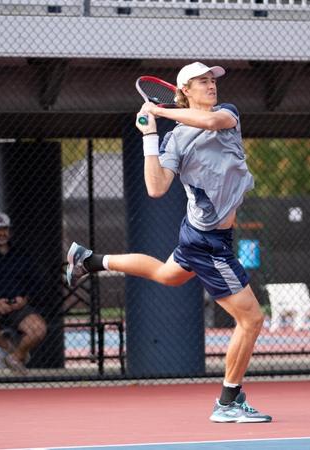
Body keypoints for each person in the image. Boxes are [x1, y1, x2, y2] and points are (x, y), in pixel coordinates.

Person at [67, 62, 272, 423]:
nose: (211, 86)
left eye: (212, 80)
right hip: (207, 241)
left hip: (211, 233)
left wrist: (158, 111)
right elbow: (156, 187)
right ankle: (227, 402)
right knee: (252, 320)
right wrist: (148, 135)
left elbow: (207, 122)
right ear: (185, 91)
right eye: (202, 82)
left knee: (167, 275)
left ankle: (90, 260)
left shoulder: (226, 114)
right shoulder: (174, 138)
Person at [0, 212, 47, 374]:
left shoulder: (22, 255)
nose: (1, 233)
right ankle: (10, 347)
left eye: (5, 229)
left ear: (10, 231)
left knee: (39, 329)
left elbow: (37, 282)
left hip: (19, 306)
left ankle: (16, 356)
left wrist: (24, 299)